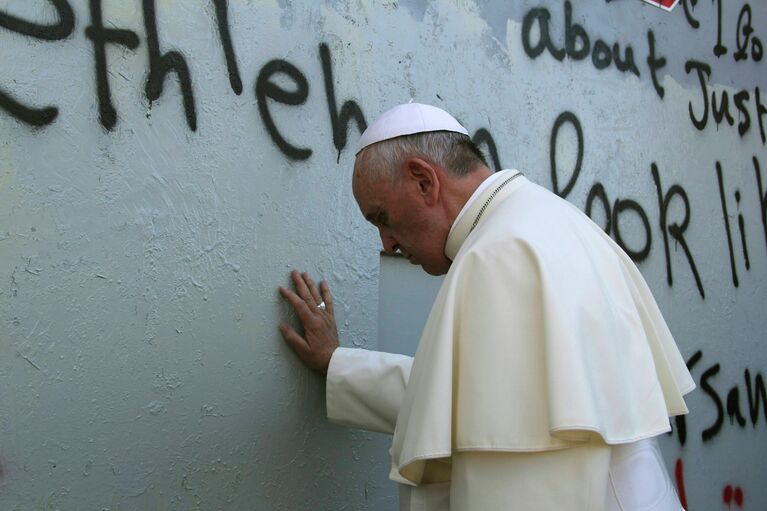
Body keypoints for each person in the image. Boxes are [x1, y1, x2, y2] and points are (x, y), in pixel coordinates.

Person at [278, 103, 695, 510]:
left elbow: (512, 455)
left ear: (423, 181)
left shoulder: (498, 255)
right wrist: (337, 363)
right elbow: (465, 401)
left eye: (382, 218)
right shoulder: (546, 223)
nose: (386, 242)